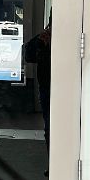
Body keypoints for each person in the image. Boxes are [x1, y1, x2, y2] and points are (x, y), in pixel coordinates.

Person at [25, 13, 51, 157]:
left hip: (58, 87)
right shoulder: (44, 37)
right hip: (47, 86)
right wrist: (41, 43)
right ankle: (52, 159)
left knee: (53, 125)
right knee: (49, 126)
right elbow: (29, 56)